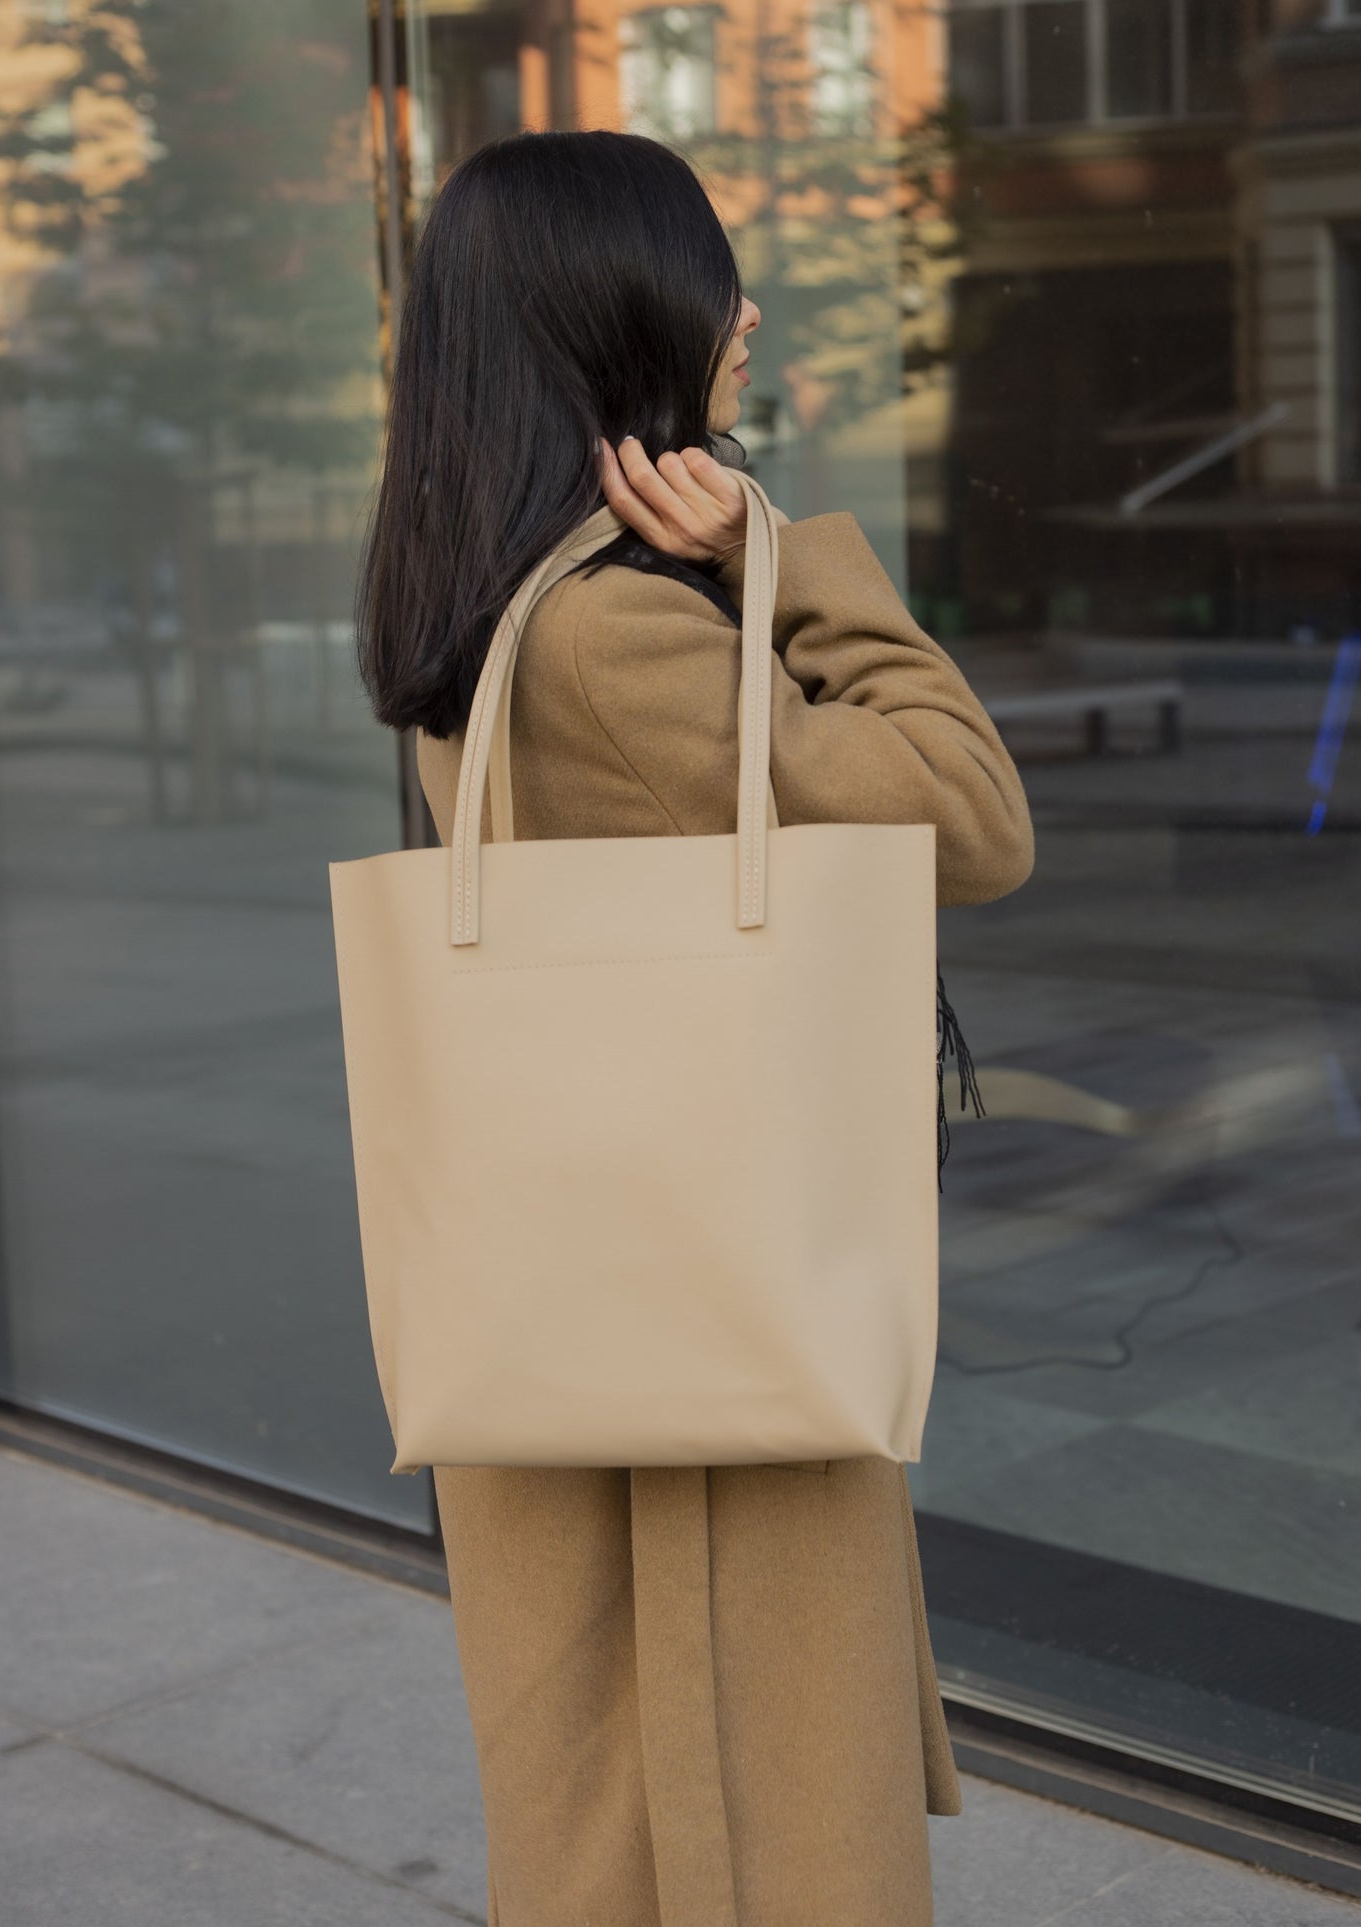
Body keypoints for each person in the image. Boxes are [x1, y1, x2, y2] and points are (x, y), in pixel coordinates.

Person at [354, 127, 1033, 1926]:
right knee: (743, 1850)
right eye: (707, 274)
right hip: (702, 1391)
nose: (744, 314)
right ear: (620, 315)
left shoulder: (483, 608)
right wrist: (787, 561)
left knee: (606, 1836)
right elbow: (973, 815)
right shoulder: (613, 641)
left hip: (582, 1329)